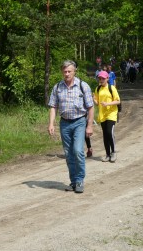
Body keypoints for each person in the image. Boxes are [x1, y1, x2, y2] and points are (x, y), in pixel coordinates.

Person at [48, 60, 94, 193]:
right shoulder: (57, 87)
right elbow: (53, 106)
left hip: (79, 121)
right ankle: (74, 181)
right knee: (69, 154)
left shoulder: (82, 86)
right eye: (65, 71)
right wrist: (51, 123)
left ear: (74, 71)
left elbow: (90, 107)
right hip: (64, 123)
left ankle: (80, 180)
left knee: (78, 151)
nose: (67, 74)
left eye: (69, 71)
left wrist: (89, 125)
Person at [93, 71, 121, 163]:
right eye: (100, 78)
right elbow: (97, 103)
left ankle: (113, 152)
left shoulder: (111, 88)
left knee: (109, 132)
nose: (101, 80)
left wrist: (108, 103)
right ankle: (107, 154)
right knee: (105, 135)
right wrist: (94, 100)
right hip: (102, 114)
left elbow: (118, 101)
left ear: (107, 79)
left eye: (103, 78)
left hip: (111, 113)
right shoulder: (97, 89)